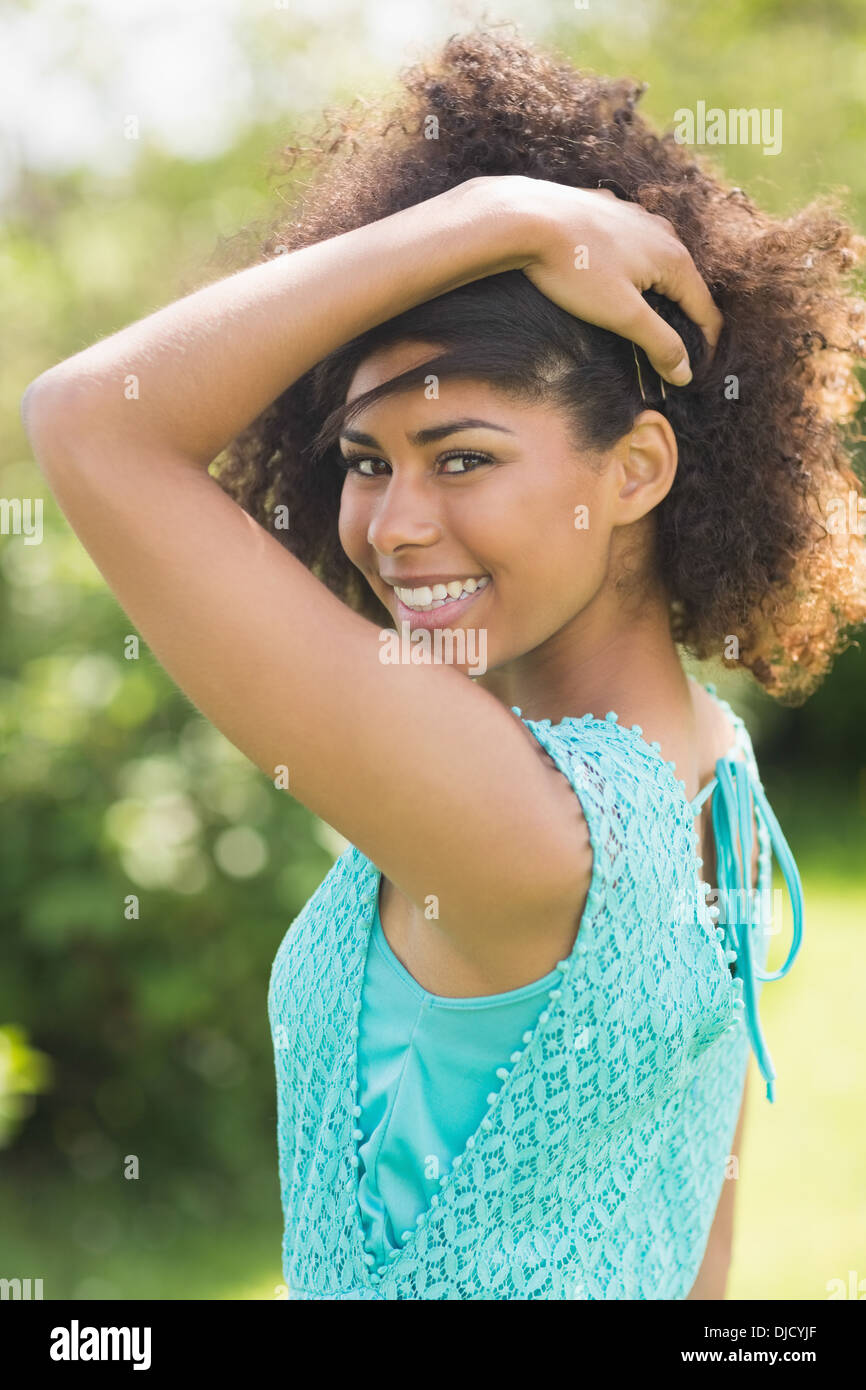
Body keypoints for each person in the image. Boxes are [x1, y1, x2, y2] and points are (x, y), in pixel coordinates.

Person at [21, 26, 865, 1300]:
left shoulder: (527, 830)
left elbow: (87, 421)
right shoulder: (716, 775)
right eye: (366, 460)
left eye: (461, 456)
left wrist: (486, 214)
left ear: (634, 470)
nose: (393, 527)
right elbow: (698, 1237)